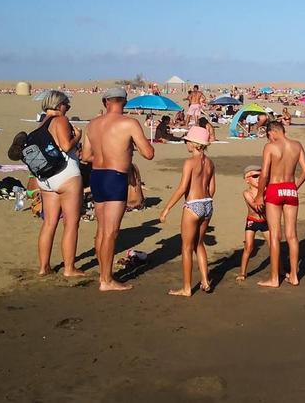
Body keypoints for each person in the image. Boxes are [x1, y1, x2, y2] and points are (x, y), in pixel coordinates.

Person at [80, 86, 155, 292]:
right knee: (111, 231)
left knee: (102, 229)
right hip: (115, 177)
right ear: (124, 102)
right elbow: (148, 153)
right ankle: (106, 279)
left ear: (106, 102)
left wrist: (108, 155)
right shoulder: (129, 123)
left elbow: (85, 156)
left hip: (97, 176)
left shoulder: (92, 124)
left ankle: (104, 274)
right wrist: (125, 152)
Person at [31, 90, 85, 277]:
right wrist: (78, 135)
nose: (68, 108)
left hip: (46, 178)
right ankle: (69, 268)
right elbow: (66, 145)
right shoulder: (61, 120)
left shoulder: (42, 123)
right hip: (66, 175)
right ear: (59, 104)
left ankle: (44, 267)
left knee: (49, 223)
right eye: (67, 104)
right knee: (71, 223)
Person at [253, 121, 305, 287]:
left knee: (275, 235)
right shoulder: (297, 145)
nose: (269, 138)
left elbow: (264, 174)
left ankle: (274, 278)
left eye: (268, 135)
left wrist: (258, 195)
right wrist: (294, 187)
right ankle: (294, 275)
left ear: (273, 132)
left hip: (275, 189)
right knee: (292, 235)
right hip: (290, 189)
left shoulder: (270, 147)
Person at [159, 126, 216, 296]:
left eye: (188, 141)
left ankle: (186, 287)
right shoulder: (210, 163)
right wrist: (205, 199)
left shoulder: (190, 162)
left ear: (195, 144)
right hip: (207, 203)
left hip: (193, 205)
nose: (186, 143)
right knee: (199, 244)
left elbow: (182, 188)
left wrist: (166, 208)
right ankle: (205, 281)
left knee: (186, 247)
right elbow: (212, 188)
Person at [238, 165, 268, 281]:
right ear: (247, 179)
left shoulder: (266, 190)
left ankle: (280, 269)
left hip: (265, 221)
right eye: (255, 176)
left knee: (274, 246)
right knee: (249, 247)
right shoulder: (247, 193)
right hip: (252, 221)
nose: (259, 179)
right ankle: (242, 272)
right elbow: (256, 207)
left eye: (261, 176)